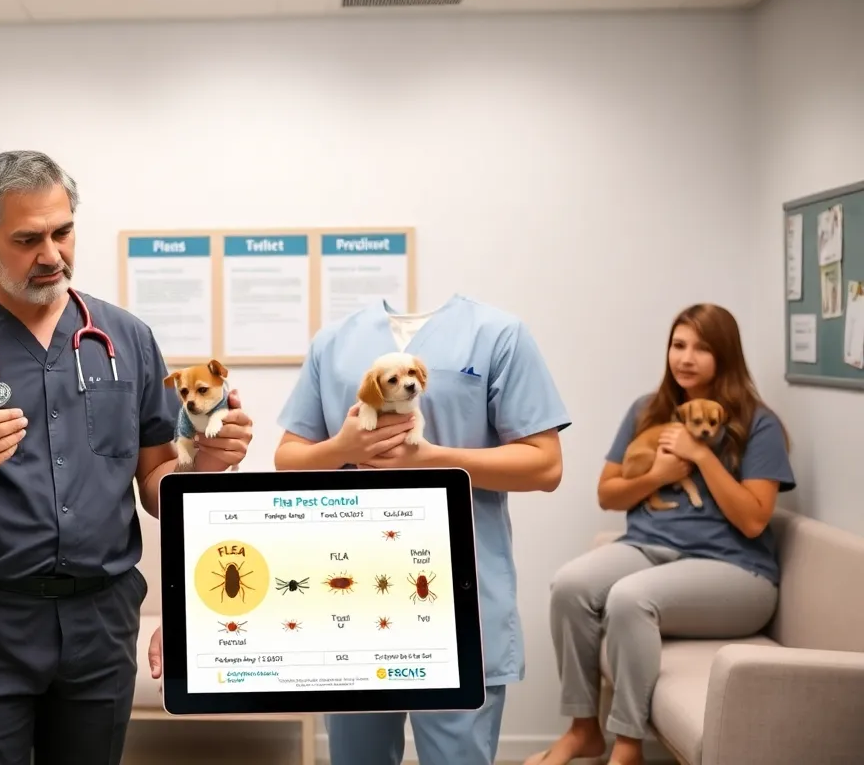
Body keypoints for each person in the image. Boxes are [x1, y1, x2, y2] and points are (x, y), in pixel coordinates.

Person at [0, 150, 255, 765]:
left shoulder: (125, 338)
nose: (51, 255)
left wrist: (203, 462)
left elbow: (155, 484)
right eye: (27, 239)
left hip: (101, 616)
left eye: (63, 231)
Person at [274, 295, 571, 765]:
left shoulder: (497, 335)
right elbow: (288, 461)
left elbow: (545, 465)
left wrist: (431, 459)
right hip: (351, 594)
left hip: (458, 593)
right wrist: (343, 447)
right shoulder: (333, 343)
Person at [530, 304, 794, 765]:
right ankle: (583, 731)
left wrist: (701, 455)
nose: (686, 358)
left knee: (630, 600)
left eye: (702, 348)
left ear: (726, 355)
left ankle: (628, 746)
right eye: (678, 345)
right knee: (570, 587)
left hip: (734, 571)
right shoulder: (646, 410)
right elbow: (608, 494)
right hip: (647, 548)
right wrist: (662, 472)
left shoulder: (759, 423)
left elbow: (754, 520)